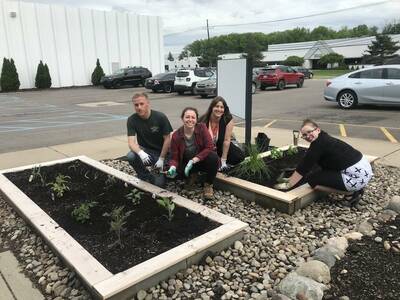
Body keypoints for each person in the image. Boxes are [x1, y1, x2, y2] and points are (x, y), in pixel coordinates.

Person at [274, 119, 373, 206]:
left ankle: (350, 193)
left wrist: (289, 185)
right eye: (304, 135)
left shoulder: (318, 146)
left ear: (318, 129)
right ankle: (355, 189)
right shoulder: (324, 138)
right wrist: (290, 178)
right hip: (364, 169)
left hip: (357, 177)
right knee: (322, 173)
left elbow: (303, 168)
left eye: (309, 132)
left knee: (312, 181)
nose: (307, 136)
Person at [167, 107, 219, 200]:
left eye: (193, 117)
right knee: (177, 173)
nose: (190, 120)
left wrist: (194, 159)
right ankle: (193, 175)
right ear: (182, 118)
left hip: (201, 160)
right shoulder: (176, 136)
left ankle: (208, 184)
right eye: (187, 117)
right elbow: (174, 157)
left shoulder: (202, 128)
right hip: (187, 163)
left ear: (196, 119)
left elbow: (209, 146)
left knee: (213, 158)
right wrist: (173, 167)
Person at [126, 92, 173, 184]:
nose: (139, 107)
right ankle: (144, 176)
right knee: (131, 156)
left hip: (162, 153)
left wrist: (161, 158)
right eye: (136, 105)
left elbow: (168, 139)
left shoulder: (160, 117)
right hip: (146, 152)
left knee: (159, 184)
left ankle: (160, 171)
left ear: (148, 103)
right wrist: (141, 153)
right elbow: (131, 143)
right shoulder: (132, 120)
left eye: (141, 104)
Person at [199, 96, 245, 171]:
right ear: (212, 107)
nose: (219, 109)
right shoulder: (203, 120)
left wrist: (223, 161)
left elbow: (226, 140)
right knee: (210, 164)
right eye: (217, 106)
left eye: (222, 107)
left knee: (239, 156)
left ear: (224, 109)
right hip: (207, 149)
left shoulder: (227, 119)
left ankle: (223, 163)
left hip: (221, 146)